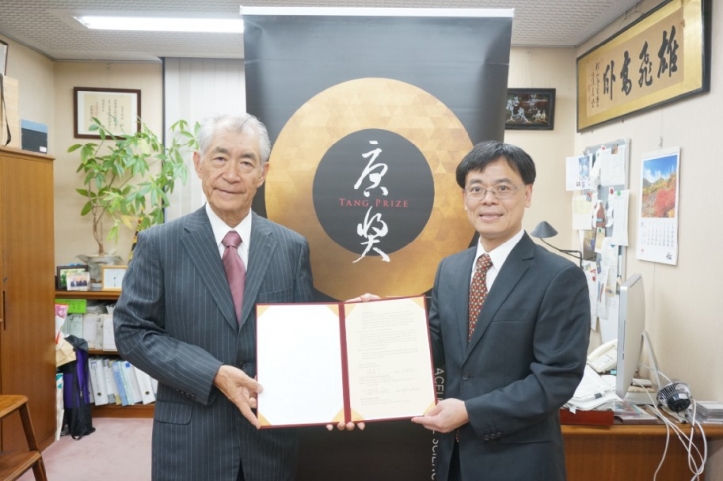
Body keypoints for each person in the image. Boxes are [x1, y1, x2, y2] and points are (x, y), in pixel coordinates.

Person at [113, 113, 315, 481]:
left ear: (263, 172)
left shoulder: (291, 248)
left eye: (246, 161)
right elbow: (132, 332)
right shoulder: (159, 243)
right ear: (199, 164)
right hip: (191, 442)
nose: (232, 174)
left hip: (269, 441)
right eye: (220, 158)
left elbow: (307, 337)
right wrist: (213, 374)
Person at [411, 141, 591, 481]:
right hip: (454, 460)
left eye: (503, 188)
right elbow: (430, 345)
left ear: (527, 194)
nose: (488, 200)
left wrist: (469, 412)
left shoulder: (559, 277)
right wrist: (378, 322)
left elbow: (555, 379)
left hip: (519, 461)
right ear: (465, 198)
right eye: (476, 189)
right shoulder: (450, 269)